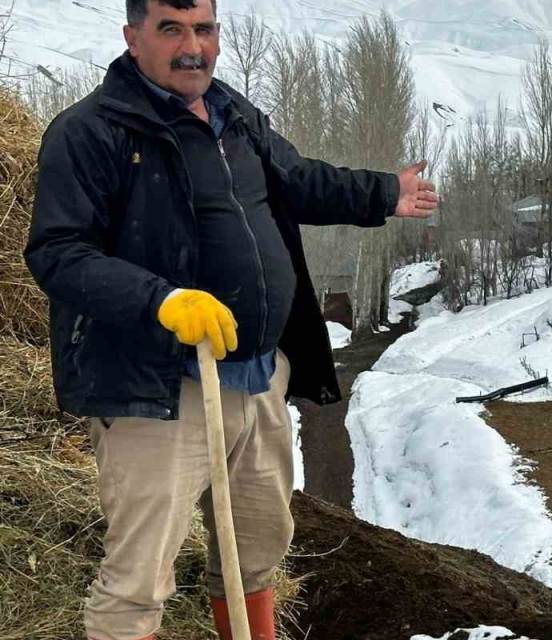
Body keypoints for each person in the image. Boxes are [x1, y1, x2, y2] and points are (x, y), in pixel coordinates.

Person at [23, 1, 439, 638]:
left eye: (204, 29)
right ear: (133, 38)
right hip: (156, 389)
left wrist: (383, 193)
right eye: (171, 30)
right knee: (139, 577)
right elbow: (58, 253)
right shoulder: (90, 131)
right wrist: (161, 300)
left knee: (256, 550)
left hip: (257, 377)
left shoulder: (232, 114)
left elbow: (295, 179)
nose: (192, 47)